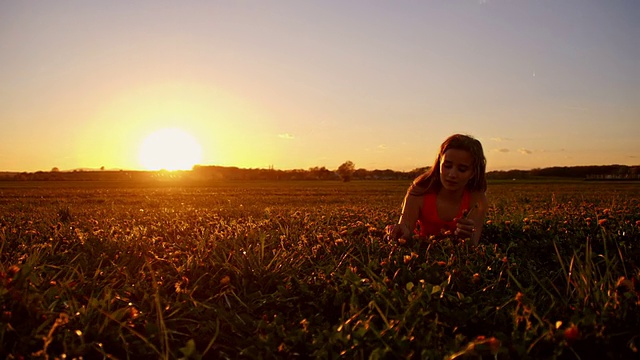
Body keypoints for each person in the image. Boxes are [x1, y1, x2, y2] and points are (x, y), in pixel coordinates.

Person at [388, 134, 488, 245]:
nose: (452, 174)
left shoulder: (476, 198)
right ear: (439, 163)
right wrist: (400, 231)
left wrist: (468, 236)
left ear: (473, 173)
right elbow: (405, 227)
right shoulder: (420, 190)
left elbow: (474, 243)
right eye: (447, 166)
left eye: (462, 169)